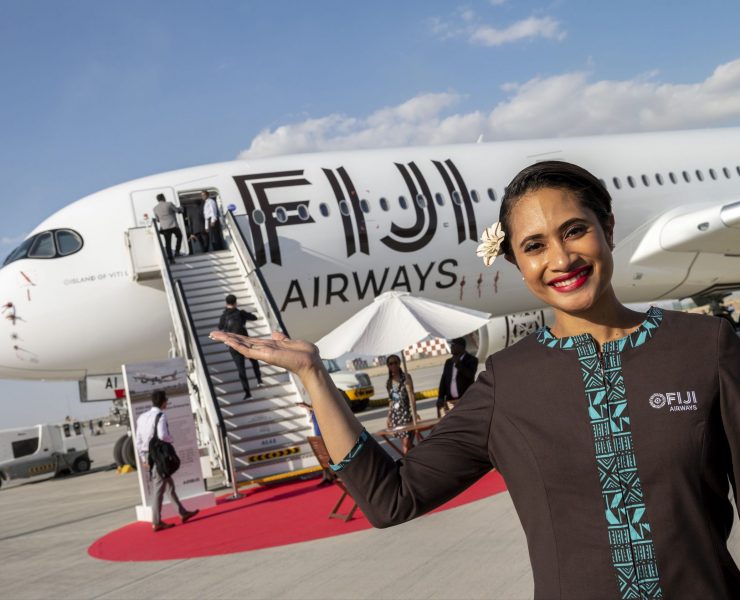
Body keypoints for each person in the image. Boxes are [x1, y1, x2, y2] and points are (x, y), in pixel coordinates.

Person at [210, 160, 740, 599]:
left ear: (607, 226)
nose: (560, 259)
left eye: (574, 230)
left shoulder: (705, 347)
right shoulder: (509, 382)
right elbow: (391, 499)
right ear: (517, 261)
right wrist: (314, 376)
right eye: (534, 246)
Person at [134, 390, 198, 531]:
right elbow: (163, 435)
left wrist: (143, 458)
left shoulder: (142, 417)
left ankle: (182, 513)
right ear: (164, 402)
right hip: (158, 457)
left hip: (148, 456)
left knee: (169, 486)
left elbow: (138, 440)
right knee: (159, 489)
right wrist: (172, 439)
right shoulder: (160, 416)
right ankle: (156, 522)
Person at [218, 294, 262, 399]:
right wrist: (246, 313)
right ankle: (259, 380)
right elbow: (254, 317)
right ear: (235, 302)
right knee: (254, 361)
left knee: (241, 369)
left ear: (226, 303)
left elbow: (220, 327)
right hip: (245, 342)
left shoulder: (224, 316)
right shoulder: (240, 313)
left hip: (233, 345)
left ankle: (247, 393)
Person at [436, 337, 479, 417]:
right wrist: (440, 397)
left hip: (465, 400)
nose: (451, 347)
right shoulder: (449, 362)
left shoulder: (472, 360)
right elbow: (444, 380)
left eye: (453, 345)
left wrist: (458, 364)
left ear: (461, 347)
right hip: (450, 401)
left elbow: (470, 375)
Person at [384, 354, 417, 455]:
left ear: (399, 364)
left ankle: (411, 460)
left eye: (395, 362)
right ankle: (416, 457)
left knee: (407, 444)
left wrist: (415, 413)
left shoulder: (406, 377)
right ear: (388, 366)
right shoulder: (389, 382)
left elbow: (412, 395)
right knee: (405, 445)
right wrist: (388, 417)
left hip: (406, 414)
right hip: (396, 416)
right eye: (390, 363)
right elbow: (391, 401)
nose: (393, 365)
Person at [152, 193, 183, 264]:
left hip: (164, 228)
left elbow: (157, 220)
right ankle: (177, 252)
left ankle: (171, 259)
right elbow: (178, 211)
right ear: (163, 198)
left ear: (157, 200)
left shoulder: (155, 208)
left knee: (168, 243)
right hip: (173, 225)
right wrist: (181, 208)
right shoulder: (169, 204)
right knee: (179, 236)